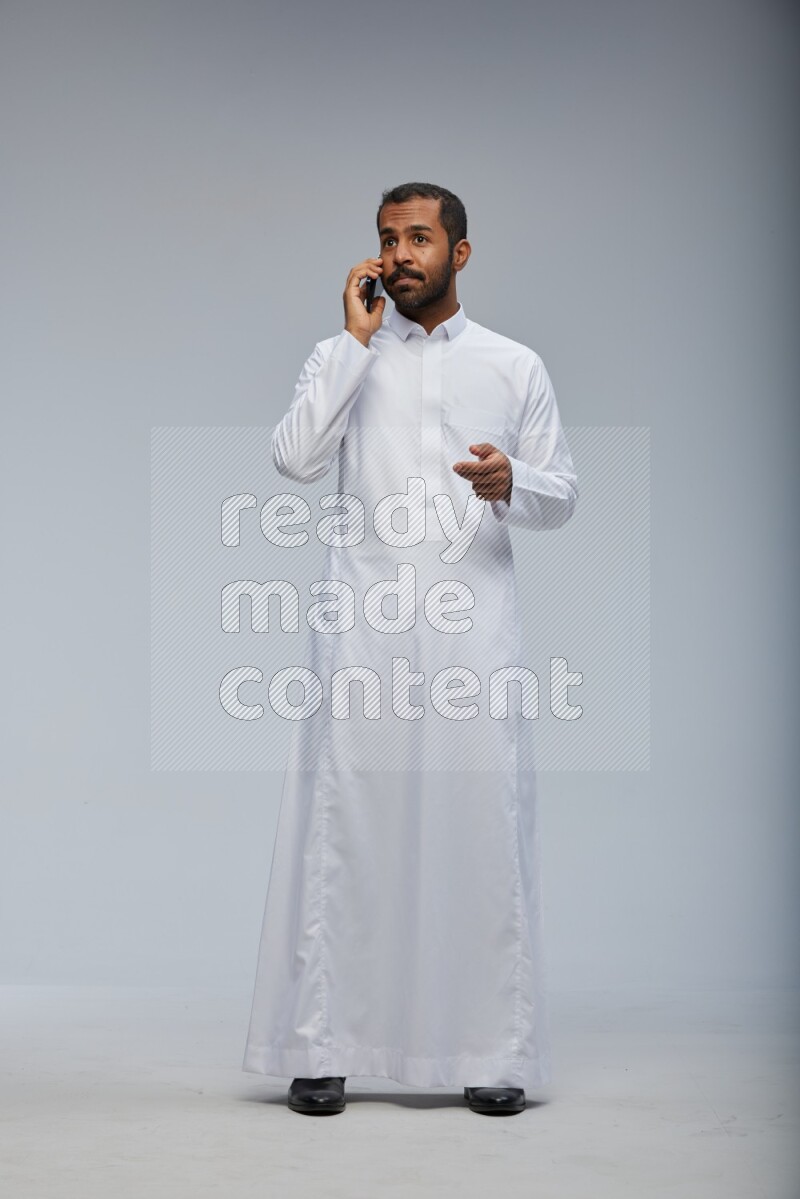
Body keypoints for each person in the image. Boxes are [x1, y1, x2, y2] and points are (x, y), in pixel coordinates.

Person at [242, 182, 578, 1116]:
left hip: (474, 630)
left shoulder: (515, 367)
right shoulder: (342, 357)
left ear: (460, 254)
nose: (400, 255)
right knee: (348, 826)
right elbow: (296, 459)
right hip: (364, 633)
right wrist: (352, 345)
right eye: (388, 239)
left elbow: (563, 493)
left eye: (420, 238)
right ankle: (323, 1045)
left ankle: (490, 1051)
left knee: (480, 827)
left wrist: (516, 480)